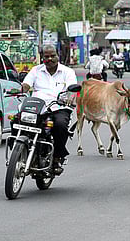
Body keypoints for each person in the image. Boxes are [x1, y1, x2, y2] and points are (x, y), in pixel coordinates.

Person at [21, 45, 78, 175]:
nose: (50, 59)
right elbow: (26, 85)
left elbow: (71, 87)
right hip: (37, 107)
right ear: (42, 58)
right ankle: (20, 149)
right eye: (46, 56)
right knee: (18, 120)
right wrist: (20, 89)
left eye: (52, 56)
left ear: (58, 56)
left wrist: (71, 94)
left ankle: (57, 157)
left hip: (59, 107)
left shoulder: (67, 72)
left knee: (60, 125)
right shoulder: (35, 71)